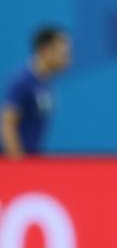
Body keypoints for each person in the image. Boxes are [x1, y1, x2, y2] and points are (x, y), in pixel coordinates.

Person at [1, 27, 71, 159]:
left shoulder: (46, 83)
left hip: (32, 160)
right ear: (45, 50)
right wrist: (19, 164)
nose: (68, 59)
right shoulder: (21, 80)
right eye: (63, 54)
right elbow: (7, 124)